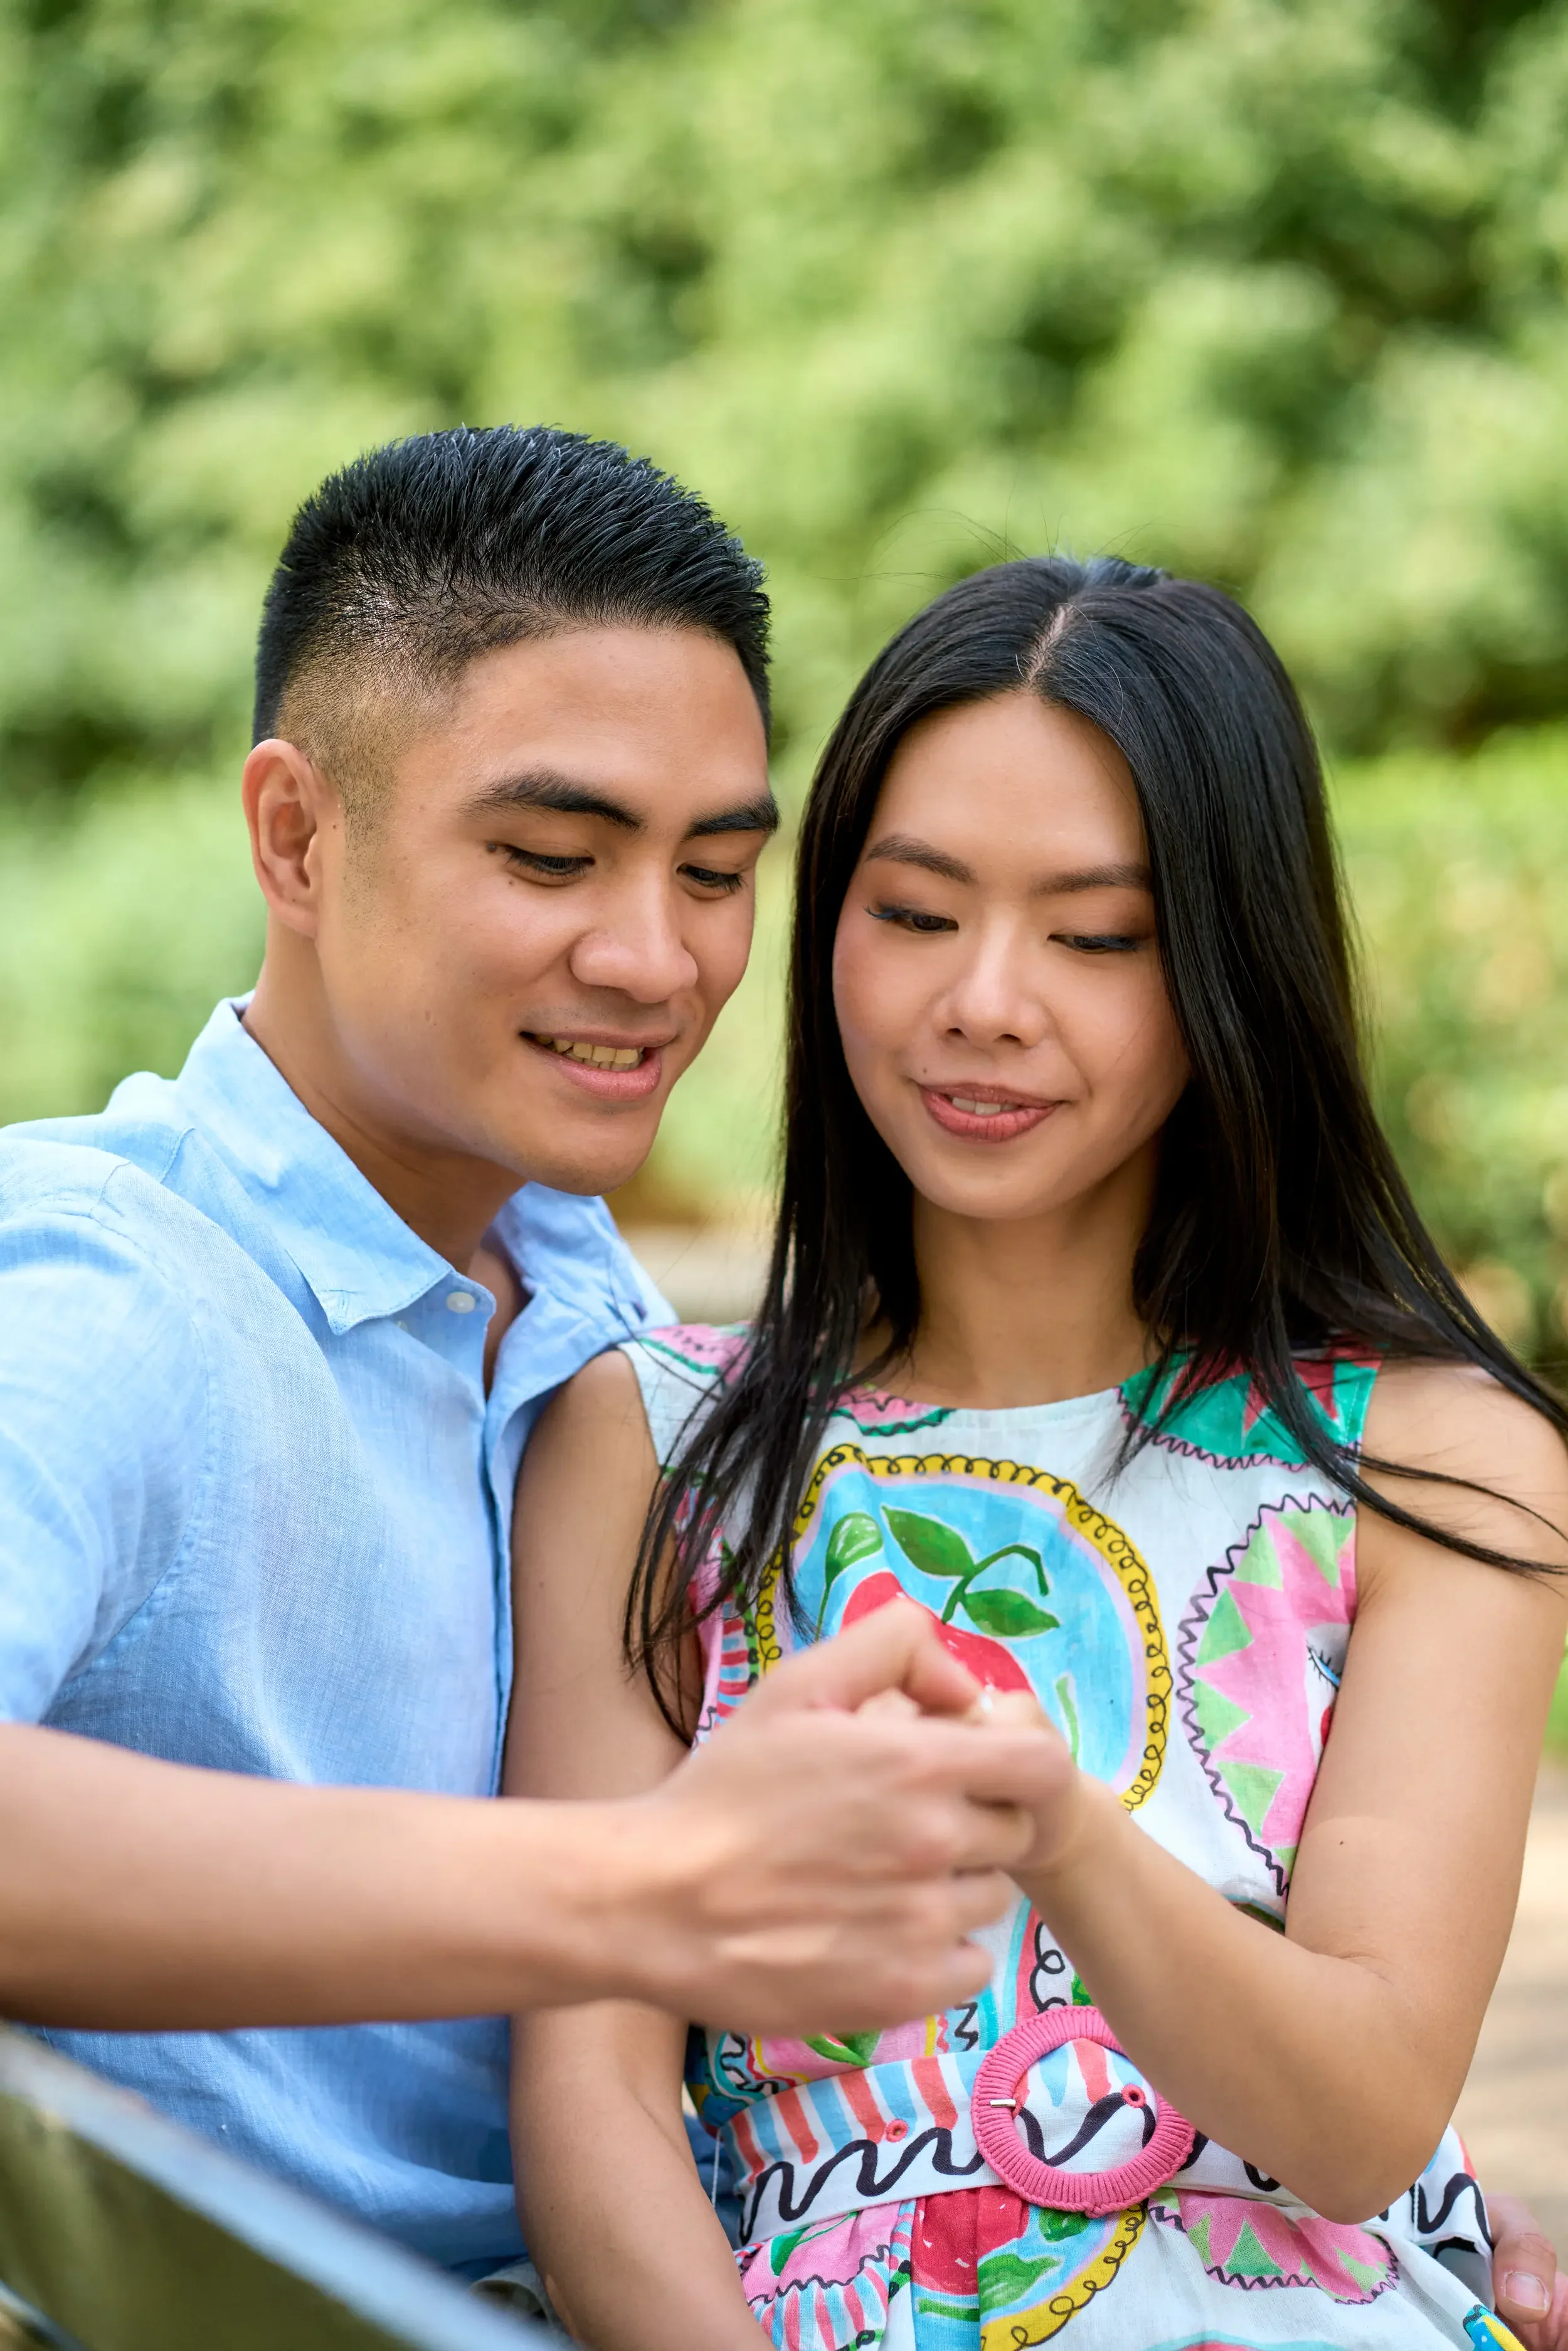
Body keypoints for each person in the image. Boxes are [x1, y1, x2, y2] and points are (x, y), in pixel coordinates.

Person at [0, 428, 1075, 2280]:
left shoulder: (628, 1349)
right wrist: (648, 1886)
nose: (656, 959)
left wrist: (1284, 2221)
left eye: (716, 871)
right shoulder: (101, 1283)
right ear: (295, 833)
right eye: (551, 855)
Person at [509, 556, 1568, 2348]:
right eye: (913, 913)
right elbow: (588, 2092)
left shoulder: (1439, 1464)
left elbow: (1357, 2116)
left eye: (1096, 935)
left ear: (1232, 965)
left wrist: (1048, 1820)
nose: (983, 1002)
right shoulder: (653, 1444)